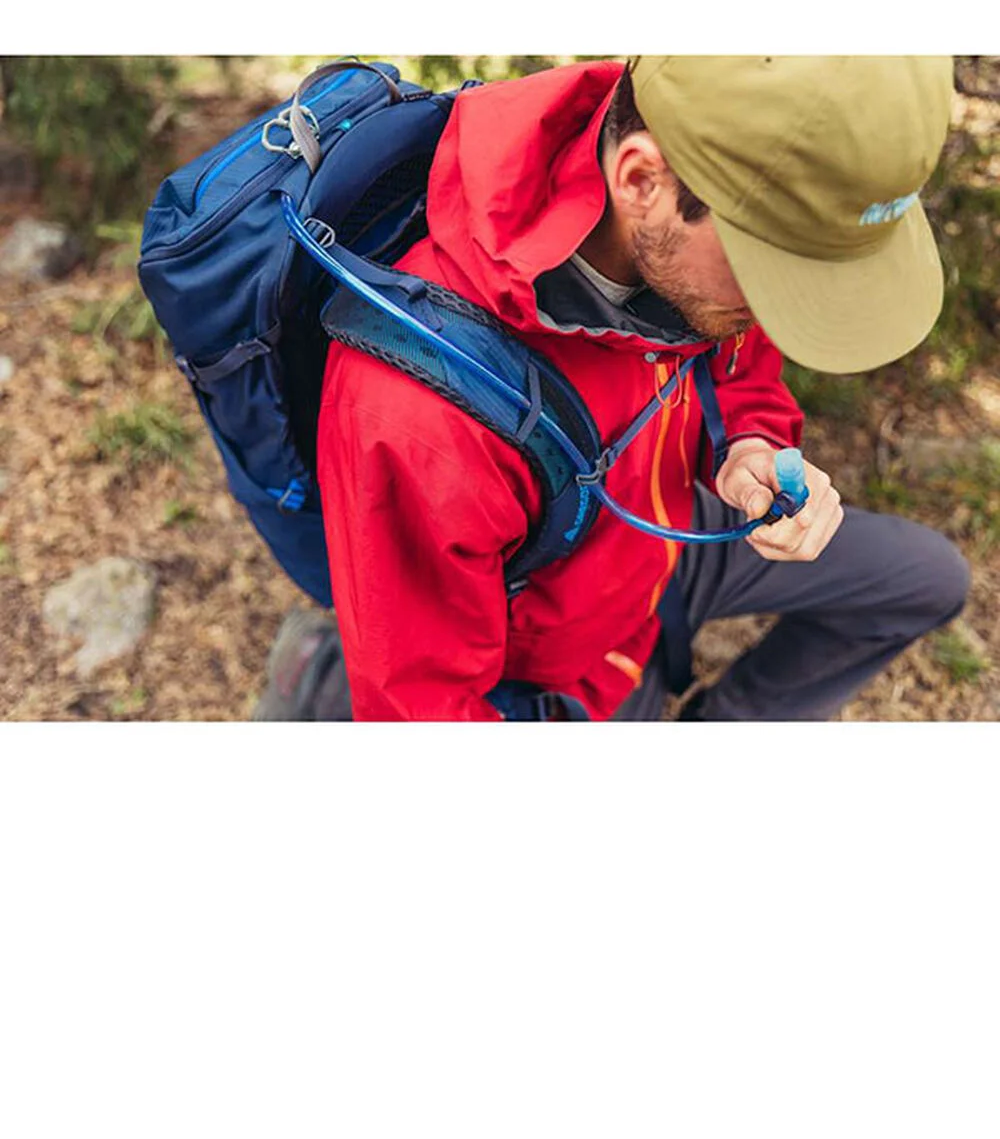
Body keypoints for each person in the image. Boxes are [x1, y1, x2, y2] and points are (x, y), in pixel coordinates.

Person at [256, 56, 970, 722]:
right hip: (564, 659)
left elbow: (736, 362)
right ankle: (318, 677)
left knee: (923, 580)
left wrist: (749, 443)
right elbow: (422, 708)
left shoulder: (679, 184)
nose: (777, 312)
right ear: (641, 181)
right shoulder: (419, 411)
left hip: (661, 542)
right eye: (772, 274)